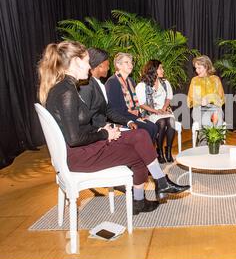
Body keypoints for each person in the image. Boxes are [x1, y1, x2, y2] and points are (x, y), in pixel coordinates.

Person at [38, 41, 190, 216]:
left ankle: (155, 188)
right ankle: (152, 190)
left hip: (82, 149)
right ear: (75, 61)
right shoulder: (67, 92)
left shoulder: (66, 87)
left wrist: (104, 130)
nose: (90, 67)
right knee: (141, 150)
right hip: (80, 155)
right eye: (87, 61)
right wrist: (104, 134)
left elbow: (79, 126)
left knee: (140, 137)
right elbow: (74, 139)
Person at [79, 48, 138, 130]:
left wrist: (128, 121)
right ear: (100, 65)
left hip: (104, 127)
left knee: (141, 134)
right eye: (107, 64)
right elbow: (85, 120)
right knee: (140, 135)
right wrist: (104, 132)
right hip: (96, 132)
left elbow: (108, 110)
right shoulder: (87, 86)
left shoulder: (99, 84)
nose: (108, 68)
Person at [105, 52, 158, 141]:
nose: (131, 65)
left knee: (153, 127)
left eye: (131, 62)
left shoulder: (131, 81)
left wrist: (140, 116)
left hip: (133, 115)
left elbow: (135, 103)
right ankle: (146, 153)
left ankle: (147, 153)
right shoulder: (112, 82)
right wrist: (129, 120)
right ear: (118, 65)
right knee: (150, 128)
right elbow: (113, 110)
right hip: (122, 118)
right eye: (127, 62)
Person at [136, 60, 176, 164]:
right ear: (153, 70)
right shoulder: (142, 85)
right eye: (160, 68)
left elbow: (168, 97)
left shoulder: (165, 82)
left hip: (164, 109)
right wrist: (156, 111)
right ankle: (160, 152)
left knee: (171, 121)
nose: (163, 70)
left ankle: (168, 151)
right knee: (162, 122)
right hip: (150, 112)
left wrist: (163, 108)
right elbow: (142, 104)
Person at [187, 55, 225, 139]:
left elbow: (221, 99)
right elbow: (190, 100)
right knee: (205, 120)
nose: (197, 71)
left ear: (206, 67)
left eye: (199, 68)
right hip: (199, 109)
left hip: (214, 108)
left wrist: (209, 99)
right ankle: (204, 146)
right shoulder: (195, 80)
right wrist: (200, 101)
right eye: (196, 68)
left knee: (215, 116)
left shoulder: (215, 79)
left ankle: (216, 143)